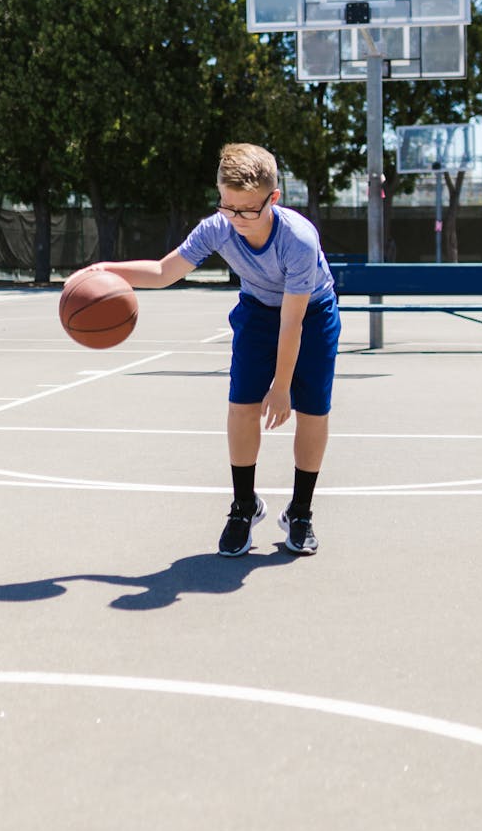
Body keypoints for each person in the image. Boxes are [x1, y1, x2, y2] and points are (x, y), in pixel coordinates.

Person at [84, 143, 340, 557]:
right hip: (257, 311)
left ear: (273, 199)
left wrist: (281, 385)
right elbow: (165, 272)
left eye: (247, 210)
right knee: (241, 406)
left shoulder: (298, 240)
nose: (236, 219)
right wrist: (104, 270)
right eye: (227, 206)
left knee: (312, 411)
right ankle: (244, 506)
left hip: (311, 313)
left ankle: (301, 511)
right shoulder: (218, 227)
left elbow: (292, 323)